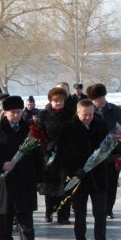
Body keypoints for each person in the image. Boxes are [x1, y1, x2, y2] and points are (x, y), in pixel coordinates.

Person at [0, 95, 43, 240]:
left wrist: (39, 177)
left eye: (18, 112)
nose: (16, 115)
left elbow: (38, 154)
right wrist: (2, 165)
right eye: (12, 112)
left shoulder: (30, 130)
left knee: (25, 212)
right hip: (5, 178)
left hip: (25, 177)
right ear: (5, 113)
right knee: (6, 212)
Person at [57, 99, 118, 240]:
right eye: (85, 115)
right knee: (80, 213)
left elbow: (107, 148)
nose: (88, 118)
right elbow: (63, 155)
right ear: (78, 112)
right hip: (78, 177)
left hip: (98, 177)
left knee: (100, 213)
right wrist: (75, 171)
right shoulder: (67, 128)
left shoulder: (101, 124)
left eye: (91, 114)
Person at [86, 83, 121, 219]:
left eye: (102, 97)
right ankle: (99, 208)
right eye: (97, 98)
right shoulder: (88, 112)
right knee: (97, 184)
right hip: (94, 156)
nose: (100, 100)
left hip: (114, 154)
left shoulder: (116, 111)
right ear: (92, 100)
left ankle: (108, 209)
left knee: (111, 184)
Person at [37, 87, 74, 224]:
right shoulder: (44, 115)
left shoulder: (71, 115)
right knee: (50, 187)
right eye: (55, 101)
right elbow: (37, 134)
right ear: (51, 101)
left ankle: (63, 215)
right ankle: (49, 212)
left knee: (66, 186)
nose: (58, 103)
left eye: (60, 101)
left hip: (66, 157)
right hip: (49, 156)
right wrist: (46, 148)